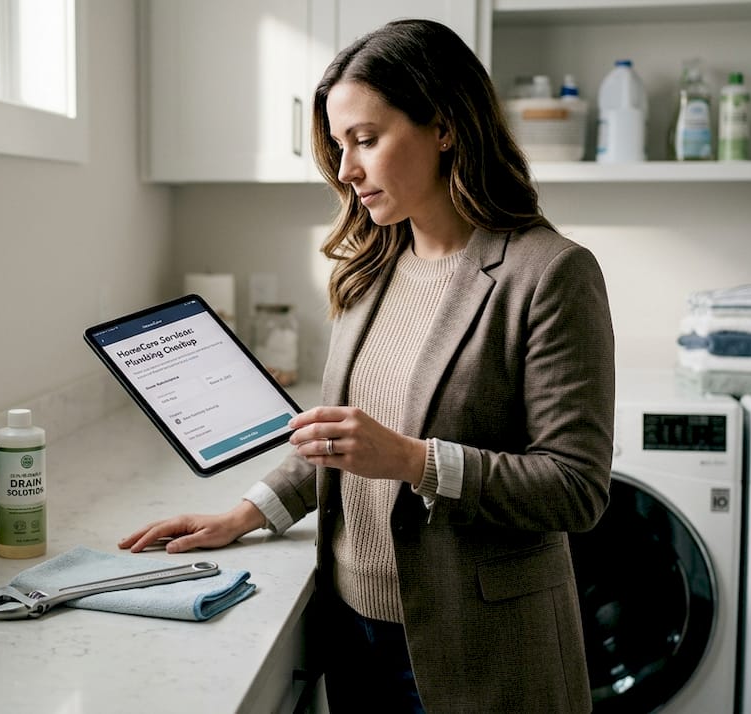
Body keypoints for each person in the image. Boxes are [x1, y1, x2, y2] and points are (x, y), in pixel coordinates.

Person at [120, 18, 614, 713]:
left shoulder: (549, 273)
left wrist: (416, 461)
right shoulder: (372, 266)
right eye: (338, 145)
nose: (346, 170)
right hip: (353, 631)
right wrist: (246, 513)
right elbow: (342, 442)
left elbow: (576, 488)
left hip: (482, 648)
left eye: (366, 139)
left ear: (443, 127)